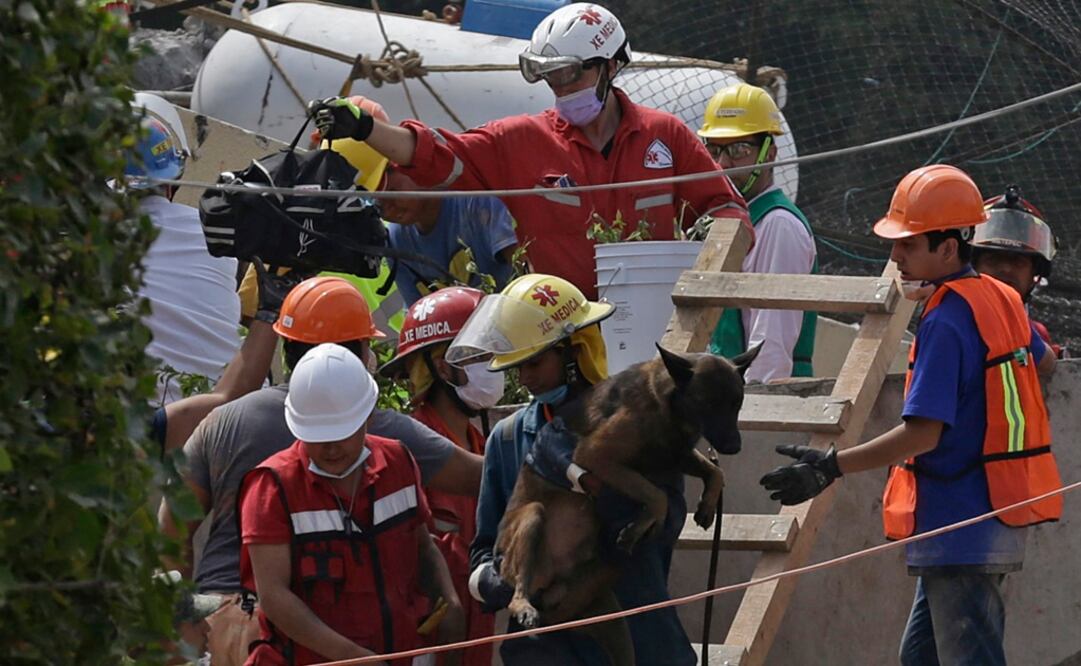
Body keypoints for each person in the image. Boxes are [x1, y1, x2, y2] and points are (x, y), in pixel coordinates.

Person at [759, 165, 1061, 666]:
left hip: (960, 520)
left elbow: (922, 433)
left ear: (949, 247)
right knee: (919, 657)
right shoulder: (1003, 299)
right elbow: (1046, 363)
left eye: (908, 245)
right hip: (990, 512)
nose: (895, 256)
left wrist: (830, 466)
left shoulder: (947, 317)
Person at [309, 2, 750, 300]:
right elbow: (437, 154)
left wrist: (699, 265)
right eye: (551, 78)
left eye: (570, 75)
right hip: (559, 336)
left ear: (611, 66)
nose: (560, 89)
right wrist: (367, 128)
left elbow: (728, 211)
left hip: (653, 326)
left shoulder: (666, 136)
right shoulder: (519, 142)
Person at [159, 276, 481, 665]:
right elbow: (477, 476)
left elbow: (172, 532)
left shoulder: (224, 420)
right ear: (362, 352)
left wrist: (185, 631)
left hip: (229, 623)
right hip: (292, 635)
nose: (332, 447)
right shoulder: (378, 430)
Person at [445, 274, 696, 666]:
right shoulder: (508, 440)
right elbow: (484, 547)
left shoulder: (642, 429)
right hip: (545, 651)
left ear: (575, 351)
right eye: (517, 367)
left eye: (535, 363)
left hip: (637, 642)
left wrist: (601, 488)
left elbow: (666, 525)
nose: (525, 379)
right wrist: (498, 581)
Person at [238, 342, 464, 664]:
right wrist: (351, 657)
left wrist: (450, 600)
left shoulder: (398, 461)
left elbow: (422, 544)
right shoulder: (273, 487)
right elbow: (274, 597)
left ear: (368, 417)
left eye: (341, 433)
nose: (330, 448)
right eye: (318, 435)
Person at [381, 286, 503, 666]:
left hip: (475, 632)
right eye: (480, 354)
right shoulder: (408, 453)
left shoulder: (483, 444)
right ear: (442, 365)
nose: (494, 364)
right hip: (428, 641)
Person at [697, 82, 818, 382]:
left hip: (764, 397)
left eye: (739, 149)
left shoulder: (778, 224)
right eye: (714, 150)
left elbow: (771, 339)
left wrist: (756, 408)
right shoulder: (727, 222)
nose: (723, 163)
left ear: (769, 152)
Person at [126, 94, 242, 405]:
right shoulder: (217, 234)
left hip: (145, 420)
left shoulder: (97, 247)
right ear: (172, 182)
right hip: (219, 411)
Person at [383, 166, 518, 306]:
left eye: (391, 193)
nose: (387, 210)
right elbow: (418, 315)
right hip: (460, 327)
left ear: (415, 171)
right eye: (378, 203)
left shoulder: (475, 200)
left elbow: (529, 271)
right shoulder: (395, 240)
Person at [971, 185, 1063, 358]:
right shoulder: (950, 322)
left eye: (1018, 262)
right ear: (972, 266)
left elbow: (1024, 367)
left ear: (1033, 276)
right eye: (993, 260)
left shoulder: (1035, 336)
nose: (1006, 269)